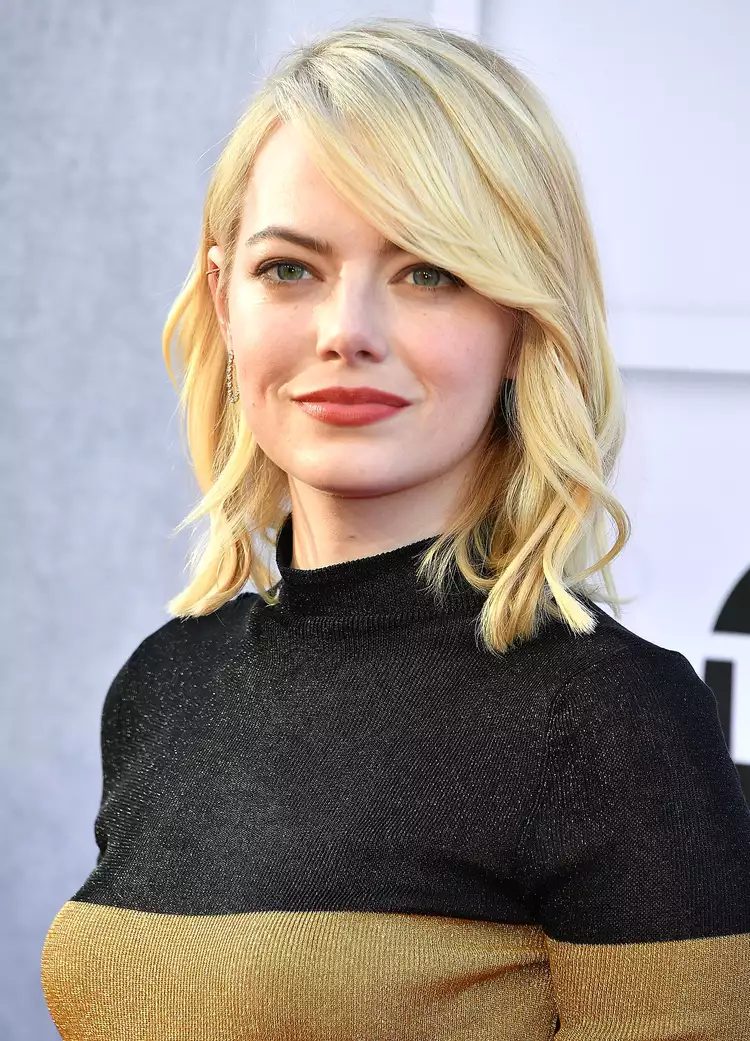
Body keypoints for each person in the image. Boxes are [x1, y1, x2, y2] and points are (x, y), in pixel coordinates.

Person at [40, 15, 750, 1040]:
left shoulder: (607, 719)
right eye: (290, 268)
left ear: (522, 321)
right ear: (223, 297)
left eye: (429, 272)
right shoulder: (163, 682)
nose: (348, 332)